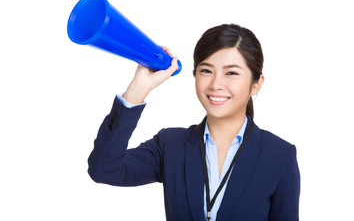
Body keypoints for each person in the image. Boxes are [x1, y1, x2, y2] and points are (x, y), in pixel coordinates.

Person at [88, 24, 300, 220]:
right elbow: (103, 169)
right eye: (206, 71)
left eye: (231, 73)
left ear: (256, 84)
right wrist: (138, 88)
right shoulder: (170, 144)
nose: (216, 84)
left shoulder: (279, 156)